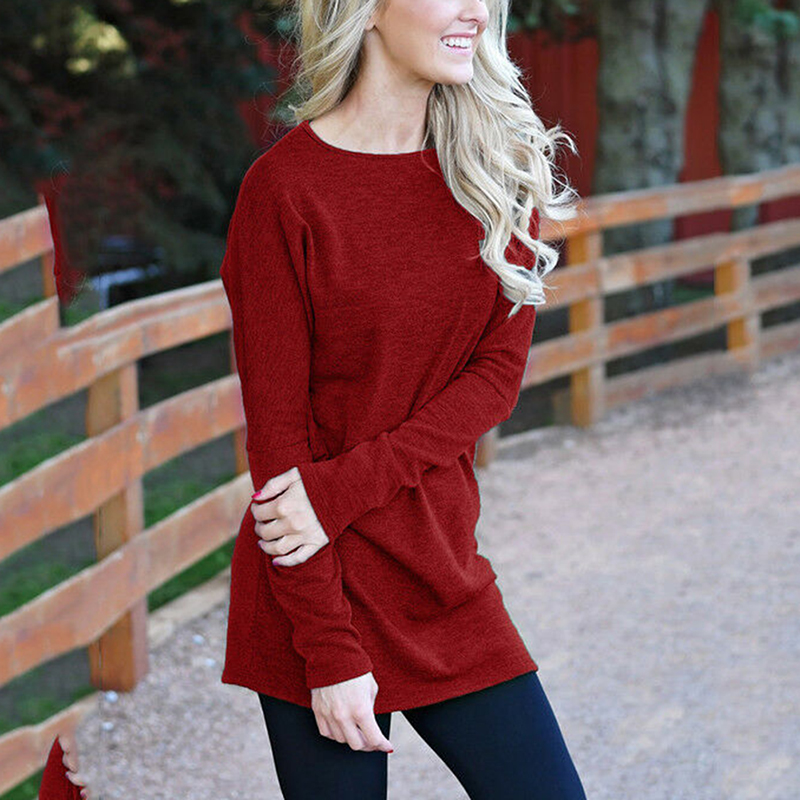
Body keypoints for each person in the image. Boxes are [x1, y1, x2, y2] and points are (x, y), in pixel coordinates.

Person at [219, 0, 584, 796]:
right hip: (315, 594)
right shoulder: (284, 192)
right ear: (367, 11)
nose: (475, 13)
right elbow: (278, 448)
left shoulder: (497, 174)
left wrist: (342, 489)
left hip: (440, 573)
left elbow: (493, 380)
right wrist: (329, 651)